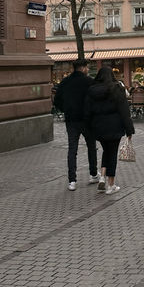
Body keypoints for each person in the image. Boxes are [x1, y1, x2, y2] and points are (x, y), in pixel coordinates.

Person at [83, 66, 134, 195]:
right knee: (112, 154)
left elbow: (87, 111)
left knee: (106, 150)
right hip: (114, 125)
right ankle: (111, 184)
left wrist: (88, 127)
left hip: (98, 126)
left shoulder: (91, 90)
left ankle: (102, 176)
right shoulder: (116, 88)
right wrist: (129, 130)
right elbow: (124, 111)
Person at [53, 59, 99, 191]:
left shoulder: (65, 81)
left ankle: (72, 180)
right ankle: (93, 174)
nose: (88, 70)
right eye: (87, 67)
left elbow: (56, 101)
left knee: (72, 150)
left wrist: (66, 110)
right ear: (83, 68)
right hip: (87, 120)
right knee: (91, 147)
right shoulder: (89, 82)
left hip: (71, 120)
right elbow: (95, 99)